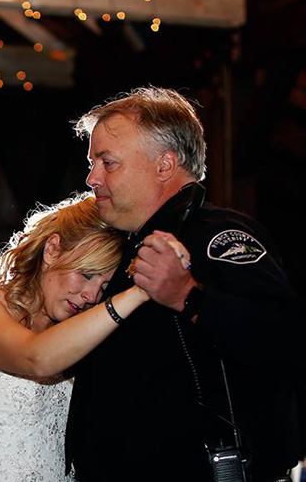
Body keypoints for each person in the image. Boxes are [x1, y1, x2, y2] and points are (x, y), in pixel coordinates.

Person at [67, 87, 305, 481]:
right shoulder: (126, 245)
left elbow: (290, 342)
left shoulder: (220, 235)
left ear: (164, 165)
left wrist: (189, 297)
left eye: (108, 163)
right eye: (92, 163)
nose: (92, 178)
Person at [0, 194, 175, 481]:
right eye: (86, 274)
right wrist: (138, 293)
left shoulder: (81, 335)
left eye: (104, 286)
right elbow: (36, 358)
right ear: (52, 249)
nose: (91, 296)